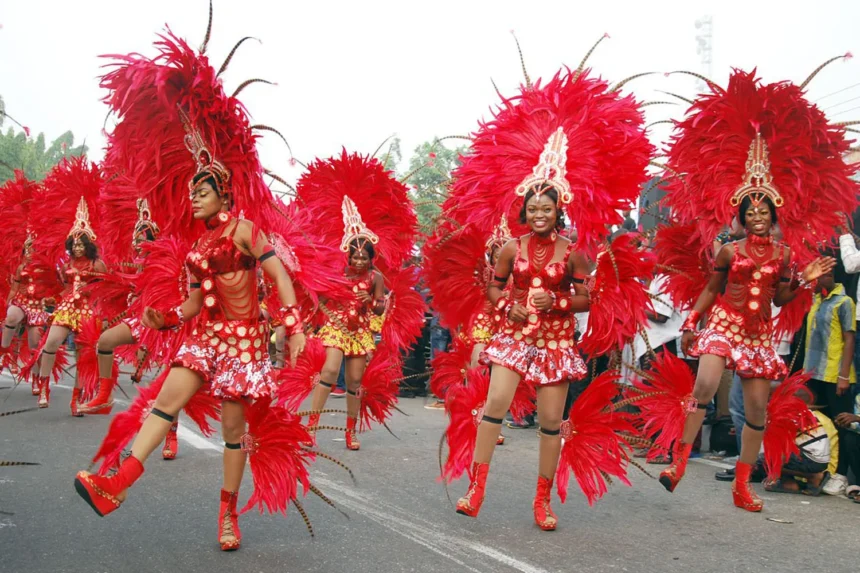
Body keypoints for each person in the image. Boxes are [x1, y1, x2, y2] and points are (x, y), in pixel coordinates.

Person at [649, 63, 858, 512]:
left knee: (758, 414)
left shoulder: (784, 257)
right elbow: (710, 288)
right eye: (751, 210)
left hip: (759, 334)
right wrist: (692, 320)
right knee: (704, 386)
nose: (758, 215)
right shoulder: (728, 250)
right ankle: (679, 463)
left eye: (764, 210)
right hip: (724, 323)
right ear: (741, 215)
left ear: (774, 215)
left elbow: (782, 300)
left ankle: (742, 485)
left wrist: (800, 280)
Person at [307, 197, 385, 451]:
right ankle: (311, 427)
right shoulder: (338, 274)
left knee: (354, 382)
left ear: (371, 258)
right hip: (337, 328)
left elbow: (381, 306)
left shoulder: (376, 277)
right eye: (355, 256)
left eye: (364, 257)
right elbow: (320, 296)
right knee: (329, 372)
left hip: (360, 331)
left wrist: (369, 302)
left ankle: (351, 431)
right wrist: (325, 314)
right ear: (348, 256)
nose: (359, 261)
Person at [37, 192, 107, 413]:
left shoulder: (97, 265)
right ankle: (43, 387)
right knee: (51, 343)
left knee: (82, 356)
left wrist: (103, 317)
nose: (77, 248)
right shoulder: (65, 265)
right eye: (74, 244)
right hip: (67, 307)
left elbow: (105, 292)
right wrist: (53, 298)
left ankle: (76, 399)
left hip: (88, 311)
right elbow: (63, 288)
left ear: (88, 245)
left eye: (81, 244)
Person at [804, 268, 855, 484]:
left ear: (830, 277)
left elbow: (850, 339)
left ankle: (840, 473)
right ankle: (821, 467)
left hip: (835, 373)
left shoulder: (845, 302)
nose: (815, 281)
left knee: (840, 424)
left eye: (819, 277)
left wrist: (844, 376)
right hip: (814, 372)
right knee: (818, 422)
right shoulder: (816, 299)